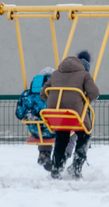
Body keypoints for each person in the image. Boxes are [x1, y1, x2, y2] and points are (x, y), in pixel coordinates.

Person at [41, 50, 99, 179]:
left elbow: (43, 94)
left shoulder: (55, 74)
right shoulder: (84, 75)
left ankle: (57, 168)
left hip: (56, 113)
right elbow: (94, 93)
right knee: (84, 134)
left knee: (62, 135)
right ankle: (76, 167)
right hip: (75, 113)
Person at [16, 67, 77, 171]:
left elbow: (19, 114)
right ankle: (64, 154)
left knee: (41, 124)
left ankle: (44, 153)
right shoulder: (55, 93)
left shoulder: (26, 94)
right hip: (53, 130)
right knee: (72, 131)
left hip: (36, 131)